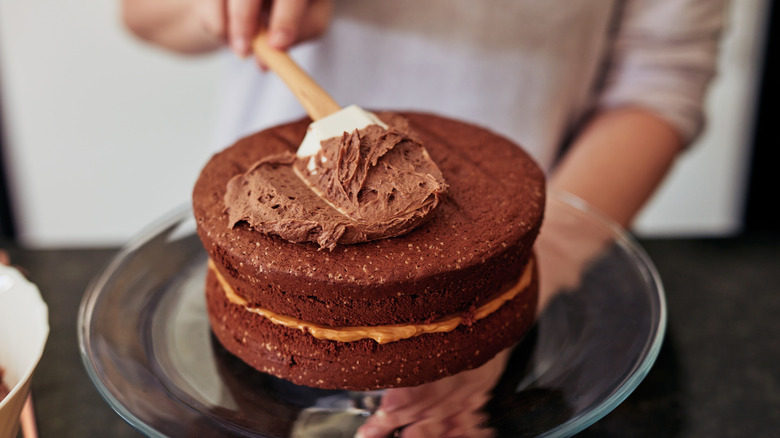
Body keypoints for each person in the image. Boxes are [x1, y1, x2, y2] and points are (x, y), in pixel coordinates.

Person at [121, 1, 725, 436]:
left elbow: (661, 78)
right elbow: (142, 14)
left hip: (529, 300)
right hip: (260, 246)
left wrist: (482, 315)